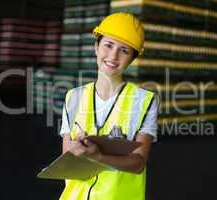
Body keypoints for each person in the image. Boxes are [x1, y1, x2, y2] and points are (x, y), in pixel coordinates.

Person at [59, 12, 159, 200]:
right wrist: (76, 149)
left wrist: (98, 156)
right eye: (108, 45)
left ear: (132, 58)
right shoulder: (73, 97)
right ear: (96, 46)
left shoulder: (145, 102)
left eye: (124, 50)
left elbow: (138, 163)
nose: (113, 55)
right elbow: (66, 159)